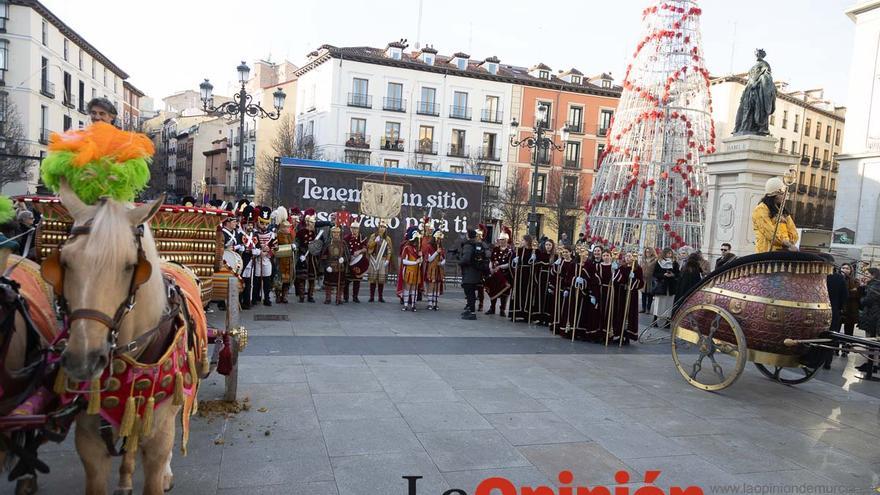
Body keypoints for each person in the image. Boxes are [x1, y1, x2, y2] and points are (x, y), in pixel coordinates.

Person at [753, 177, 798, 253]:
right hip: (766, 252)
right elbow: (770, 233)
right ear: (774, 195)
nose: (784, 196)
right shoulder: (760, 209)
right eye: (781, 194)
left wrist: (790, 243)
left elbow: (793, 232)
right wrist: (787, 244)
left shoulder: (783, 211)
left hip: (784, 251)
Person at [613, 252, 644, 345]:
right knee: (621, 312)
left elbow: (641, 282)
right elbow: (616, 280)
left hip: (631, 293)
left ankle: (627, 335)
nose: (627, 258)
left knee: (629, 313)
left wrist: (633, 280)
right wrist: (615, 272)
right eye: (626, 256)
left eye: (629, 256)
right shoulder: (622, 268)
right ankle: (619, 334)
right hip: (622, 293)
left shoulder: (638, 269)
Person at [459, 228, 489, 320]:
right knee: (471, 292)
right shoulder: (478, 244)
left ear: (468, 235)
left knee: (470, 293)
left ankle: (472, 312)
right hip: (476, 272)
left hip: (469, 273)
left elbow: (466, 259)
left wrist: (460, 261)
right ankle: (470, 310)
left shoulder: (468, 245)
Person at [549, 244, 577, 336]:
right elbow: (554, 274)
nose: (565, 254)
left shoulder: (573, 263)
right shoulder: (560, 261)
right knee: (557, 306)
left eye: (567, 252)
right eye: (564, 252)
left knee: (565, 308)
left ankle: (564, 327)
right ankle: (556, 325)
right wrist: (555, 266)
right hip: (559, 286)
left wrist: (568, 286)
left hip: (568, 287)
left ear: (571, 253)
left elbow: (573, 275)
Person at [485, 227, 513, 316]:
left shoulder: (510, 251)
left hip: (504, 275)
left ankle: (502, 309)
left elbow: (510, 263)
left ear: (507, 240)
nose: (501, 241)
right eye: (500, 239)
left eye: (503, 240)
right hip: (494, 274)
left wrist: (500, 267)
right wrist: (491, 268)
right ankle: (492, 308)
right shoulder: (495, 249)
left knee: (504, 293)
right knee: (493, 290)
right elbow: (491, 260)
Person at [857, 267, 880, 373]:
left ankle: (872, 365)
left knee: (871, 341)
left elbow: (868, 300)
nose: (864, 276)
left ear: (873, 275)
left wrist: (861, 299)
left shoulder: (875, 285)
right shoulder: (873, 285)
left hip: (873, 317)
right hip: (873, 316)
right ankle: (871, 363)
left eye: (866, 274)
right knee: (872, 341)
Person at [295, 210, 321, 302]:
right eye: (311, 223)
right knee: (302, 278)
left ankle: (310, 296)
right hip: (303, 257)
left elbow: (319, 245)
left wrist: (315, 246)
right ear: (307, 222)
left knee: (312, 279)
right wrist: (299, 252)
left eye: (313, 223)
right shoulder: (301, 232)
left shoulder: (316, 234)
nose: (312, 225)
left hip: (312, 258)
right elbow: (297, 243)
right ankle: (301, 296)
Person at [651, 247, 680, 327]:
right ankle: (655, 320)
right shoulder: (659, 262)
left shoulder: (674, 263)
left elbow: (678, 274)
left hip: (670, 286)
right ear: (664, 254)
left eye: (671, 253)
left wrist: (673, 275)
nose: (669, 255)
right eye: (668, 253)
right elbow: (655, 274)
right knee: (658, 303)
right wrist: (663, 275)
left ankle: (667, 321)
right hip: (661, 286)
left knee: (669, 303)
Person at [321, 225, 349, 305]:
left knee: (340, 285)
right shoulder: (327, 242)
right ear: (331, 233)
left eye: (337, 233)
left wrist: (343, 258)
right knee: (328, 284)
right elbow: (323, 255)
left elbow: (348, 255)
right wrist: (326, 266)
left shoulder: (343, 243)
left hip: (340, 267)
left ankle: (338, 298)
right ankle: (328, 298)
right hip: (330, 265)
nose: (336, 234)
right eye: (334, 233)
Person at [366, 220, 393, 302]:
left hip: (382, 260)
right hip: (374, 259)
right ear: (378, 227)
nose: (382, 229)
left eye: (384, 227)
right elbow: (369, 246)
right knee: (373, 279)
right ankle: (371, 296)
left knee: (381, 280)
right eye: (381, 227)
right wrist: (375, 242)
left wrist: (388, 260)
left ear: (386, 229)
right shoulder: (373, 236)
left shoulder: (387, 238)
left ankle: (380, 297)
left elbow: (389, 250)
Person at [399, 226, 423, 312]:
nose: (416, 242)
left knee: (414, 288)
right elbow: (404, 261)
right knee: (407, 288)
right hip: (409, 270)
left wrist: (421, 257)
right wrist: (415, 262)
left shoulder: (418, 250)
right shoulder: (407, 248)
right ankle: (405, 305)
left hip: (416, 271)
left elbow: (420, 262)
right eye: (415, 240)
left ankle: (413, 304)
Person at [344, 220, 369, 303]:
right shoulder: (346, 238)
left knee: (357, 281)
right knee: (347, 280)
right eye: (353, 228)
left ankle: (355, 297)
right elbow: (344, 249)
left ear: (358, 229)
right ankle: (345, 297)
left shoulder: (362, 237)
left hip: (359, 261)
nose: (354, 230)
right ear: (350, 228)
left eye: (356, 228)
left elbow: (365, 249)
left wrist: (359, 251)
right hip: (349, 261)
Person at [840, 263, 861, 356]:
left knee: (848, 331)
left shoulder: (855, 281)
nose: (845, 270)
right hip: (839, 308)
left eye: (847, 268)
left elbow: (856, 294)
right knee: (836, 330)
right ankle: (835, 348)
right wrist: (851, 291)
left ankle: (846, 350)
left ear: (851, 270)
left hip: (850, 310)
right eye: (843, 268)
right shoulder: (837, 279)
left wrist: (851, 292)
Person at [274, 220, 296, 304]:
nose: (288, 228)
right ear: (282, 228)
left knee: (287, 279)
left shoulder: (290, 235)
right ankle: (278, 296)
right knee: (279, 279)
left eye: (289, 227)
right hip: (280, 260)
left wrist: (294, 247)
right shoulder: (278, 235)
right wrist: (289, 247)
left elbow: (294, 244)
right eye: (287, 227)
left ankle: (284, 295)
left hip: (289, 259)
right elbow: (275, 247)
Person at [424, 230, 446, 311]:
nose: (439, 240)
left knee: (437, 285)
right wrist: (436, 252)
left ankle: (435, 302)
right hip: (431, 268)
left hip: (438, 268)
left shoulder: (441, 248)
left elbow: (444, 259)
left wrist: (441, 263)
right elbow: (429, 259)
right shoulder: (429, 246)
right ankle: (430, 303)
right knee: (431, 285)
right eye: (438, 239)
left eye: (440, 239)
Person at [640, 247, 658, 313]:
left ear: (652, 252)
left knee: (650, 294)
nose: (647, 253)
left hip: (651, 279)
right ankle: (643, 308)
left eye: (649, 252)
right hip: (644, 279)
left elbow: (656, 269)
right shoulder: (643, 259)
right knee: (643, 294)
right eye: (646, 252)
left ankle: (648, 309)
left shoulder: (655, 260)